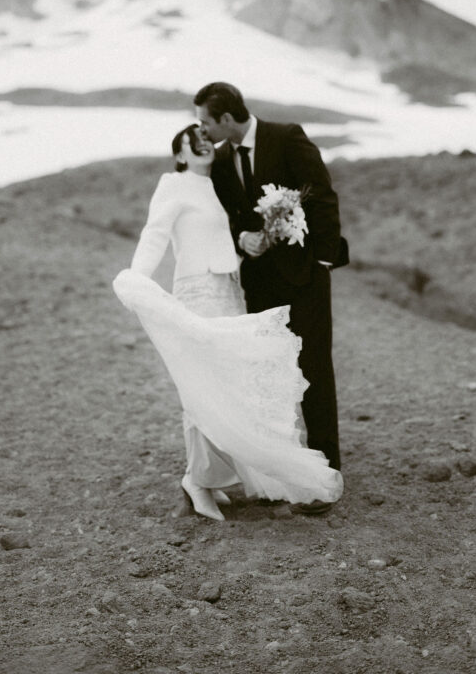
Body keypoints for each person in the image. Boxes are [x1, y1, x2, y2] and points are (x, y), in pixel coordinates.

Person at [112, 123, 343, 521]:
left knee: (229, 385)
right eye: (193, 141)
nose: (204, 144)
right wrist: (137, 278)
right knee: (201, 383)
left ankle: (210, 476)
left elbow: (222, 235)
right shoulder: (174, 183)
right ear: (181, 154)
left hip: (228, 289)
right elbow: (155, 233)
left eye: (206, 138)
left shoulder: (216, 185)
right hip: (197, 290)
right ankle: (197, 481)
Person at [193, 82, 347, 514]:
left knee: (315, 368)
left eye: (206, 120)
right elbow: (224, 217)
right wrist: (242, 238)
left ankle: (327, 472)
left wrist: (323, 263)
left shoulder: (286, 136)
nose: (201, 130)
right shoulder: (221, 160)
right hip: (259, 283)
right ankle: (287, 468)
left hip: (306, 278)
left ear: (226, 118)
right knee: (272, 375)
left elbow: (322, 195)